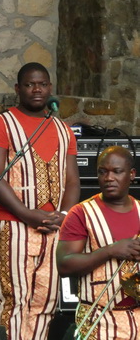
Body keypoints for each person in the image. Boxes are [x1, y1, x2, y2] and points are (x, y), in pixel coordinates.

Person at [0, 62, 80, 340]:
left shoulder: (63, 129)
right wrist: (26, 213)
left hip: (53, 227)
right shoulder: (1, 124)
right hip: (14, 227)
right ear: (18, 89)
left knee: (45, 304)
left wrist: (64, 213)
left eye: (43, 84)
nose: (37, 89)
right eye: (29, 84)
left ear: (50, 88)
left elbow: (72, 180)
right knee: (15, 302)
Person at [57, 146, 140, 340]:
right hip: (98, 320)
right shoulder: (81, 213)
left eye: (117, 172)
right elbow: (64, 265)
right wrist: (110, 250)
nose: (108, 178)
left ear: (132, 174)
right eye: (103, 172)